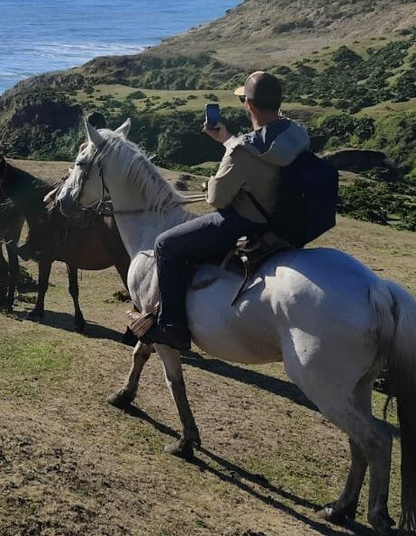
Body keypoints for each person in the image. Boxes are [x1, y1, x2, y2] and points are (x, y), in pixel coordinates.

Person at [133, 71, 310, 350]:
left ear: (249, 105)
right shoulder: (296, 135)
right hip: (280, 221)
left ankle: (172, 328)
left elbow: (216, 198)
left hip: (243, 223)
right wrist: (227, 139)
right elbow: (259, 156)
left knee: (165, 244)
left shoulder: (241, 151)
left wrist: (214, 177)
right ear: (277, 103)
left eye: (243, 101)